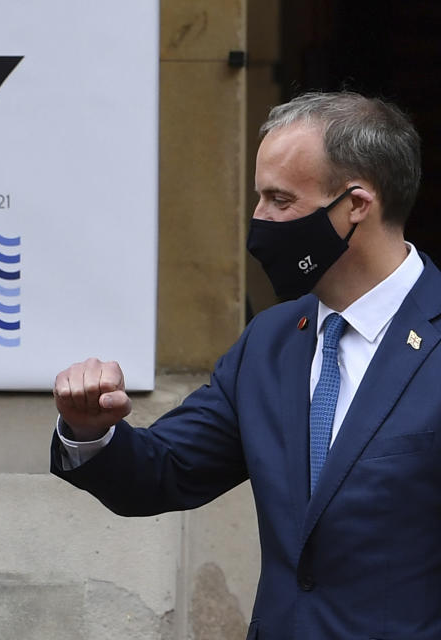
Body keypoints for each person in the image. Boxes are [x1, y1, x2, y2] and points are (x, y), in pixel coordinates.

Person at [50, 91, 438, 639]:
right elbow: (165, 471)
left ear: (356, 205)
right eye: (259, 197)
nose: (259, 220)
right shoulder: (270, 343)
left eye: (280, 200)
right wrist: (90, 430)